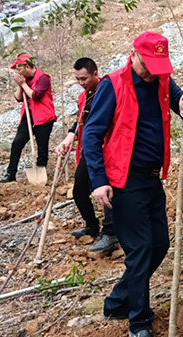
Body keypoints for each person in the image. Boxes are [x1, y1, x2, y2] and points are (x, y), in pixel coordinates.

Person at [82, 32, 183, 337]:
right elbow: (91, 135)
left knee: (159, 244)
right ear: (134, 55)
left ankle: (117, 301)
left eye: (159, 66)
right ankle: (139, 322)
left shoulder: (162, 78)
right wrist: (98, 180)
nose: (153, 72)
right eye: (148, 65)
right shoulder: (113, 84)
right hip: (123, 179)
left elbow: (180, 105)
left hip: (151, 177)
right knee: (140, 249)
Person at [55, 58, 119, 253]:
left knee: (107, 191)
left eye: (84, 78)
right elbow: (79, 122)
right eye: (77, 79)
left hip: (107, 149)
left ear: (95, 73)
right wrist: (68, 140)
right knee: (79, 190)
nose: (81, 82)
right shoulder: (84, 97)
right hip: (88, 150)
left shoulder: (107, 92)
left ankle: (111, 233)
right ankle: (92, 226)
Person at [0, 54, 57, 183]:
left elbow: (36, 96)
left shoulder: (43, 78)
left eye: (19, 69)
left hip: (43, 118)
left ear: (27, 66)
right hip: (28, 116)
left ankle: (41, 174)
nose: (18, 72)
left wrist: (24, 84)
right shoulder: (24, 80)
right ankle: (10, 173)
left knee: (42, 148)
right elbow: (19, 98)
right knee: (17, 143)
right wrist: (20, 85)